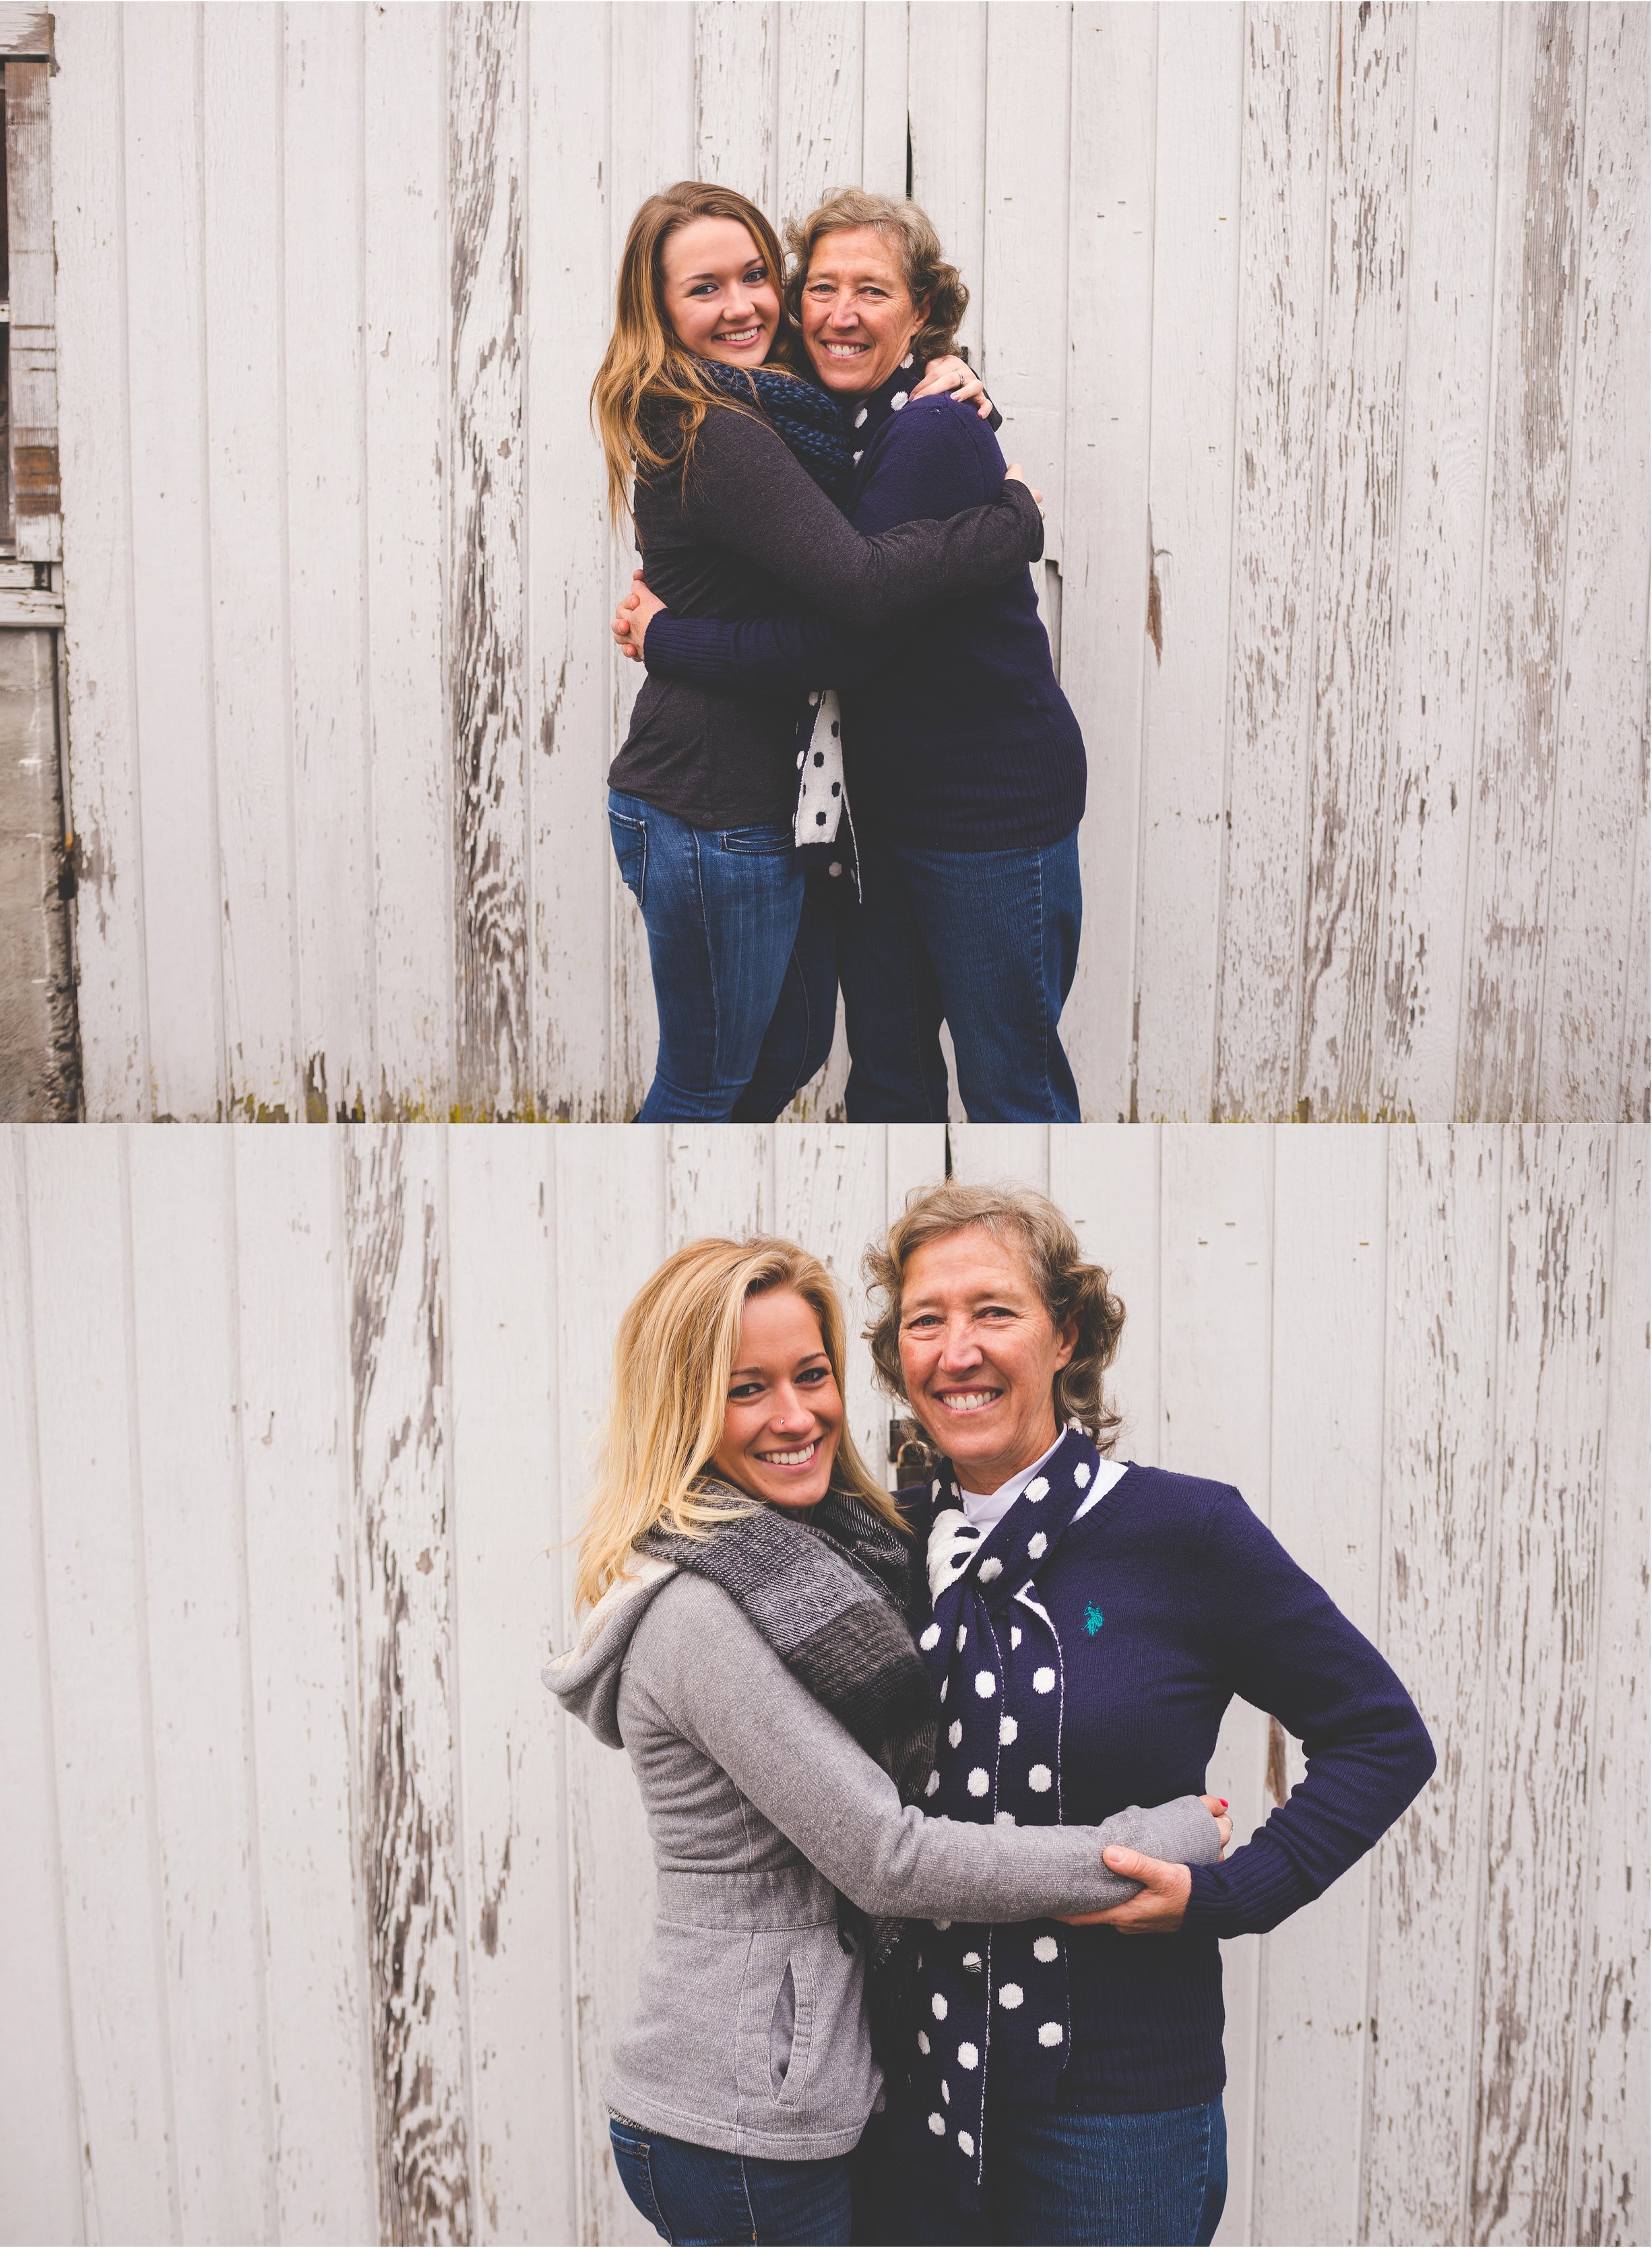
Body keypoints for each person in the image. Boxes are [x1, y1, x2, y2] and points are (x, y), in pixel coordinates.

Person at [542, 1234, 1230, 2248]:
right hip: (742, 2120)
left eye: (811, 1374)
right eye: (746, 1390)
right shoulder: (703, 1612)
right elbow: (888, 1855)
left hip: (806, 2089)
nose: (796, 1414)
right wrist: (1147, 1843)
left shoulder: (827, 1559)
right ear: (682, 1411)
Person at [851, 1180, 1437, 2247]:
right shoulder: (879, 1545)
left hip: (1117, 2126)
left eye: (994, 1310)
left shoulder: (1185, 1530)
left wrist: (1233, 1890)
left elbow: (1380, 1735)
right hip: (911, 2093)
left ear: (1066, 1331)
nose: (956, 1348)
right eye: (924, 1320)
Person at [617, 191, 1087, 1123]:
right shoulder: (778, 423)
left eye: (872, 291)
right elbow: (851, 594)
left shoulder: (918, 424)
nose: (836, 312)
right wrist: (1014, 514)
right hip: (857, 817)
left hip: (984, 808)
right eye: (820, 287)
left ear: (922, 314)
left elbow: (852, 626)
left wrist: (669, 637)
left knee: (1004, 1087)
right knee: (881, 1081)